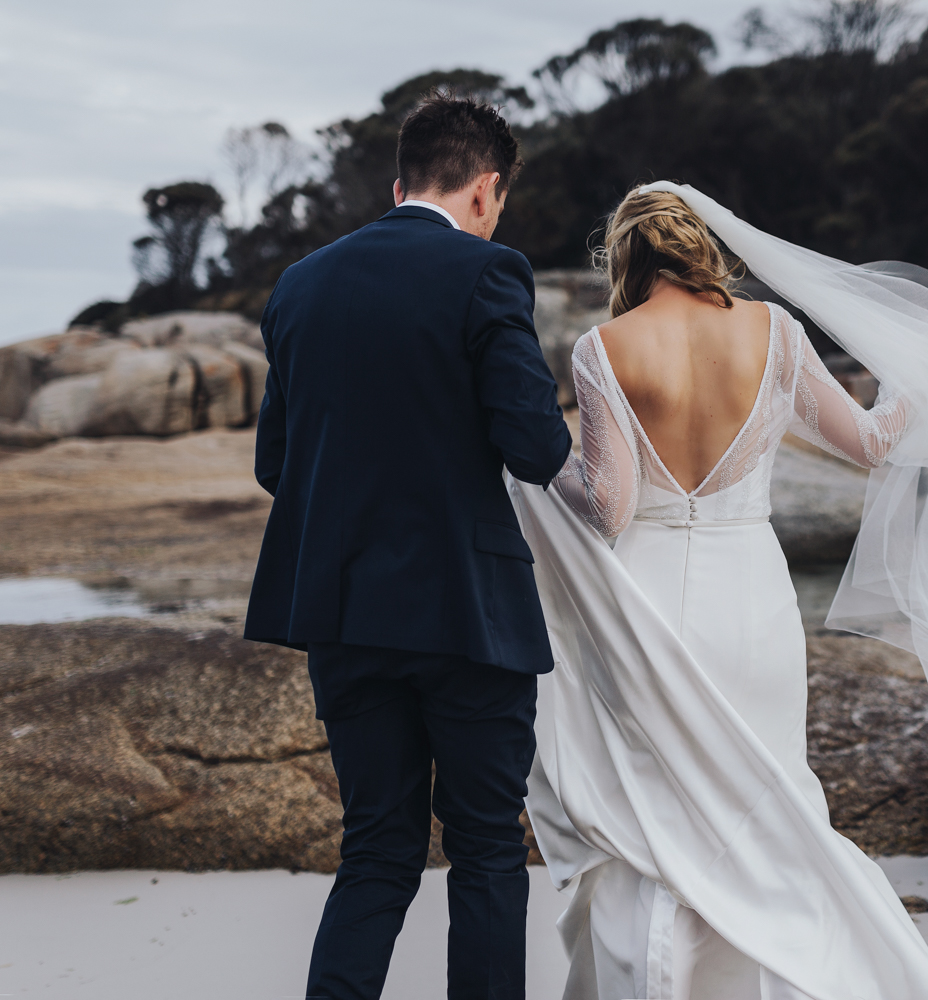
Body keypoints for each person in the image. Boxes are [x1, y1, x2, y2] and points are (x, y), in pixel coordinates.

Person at [513, 184, 928, 999]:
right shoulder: (776, 331)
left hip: (651, 603)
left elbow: (612, 506)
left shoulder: (605, 348)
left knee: (658, 814)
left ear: (627, 258)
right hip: (755, 598)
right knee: (766, 806)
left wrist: (536, 477)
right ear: (706, 246)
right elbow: (874, 443)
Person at [244, 95, 571, 1000]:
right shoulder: (488, 272)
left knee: (377, 850)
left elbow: (278, 463)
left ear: (399, 184)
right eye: (497, 201)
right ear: (484, 189)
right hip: (466, 615)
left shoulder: (300, 285)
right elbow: (537, 449)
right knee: (484, 849)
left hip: (344, 615)